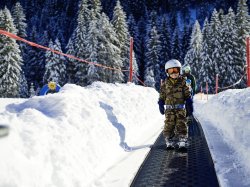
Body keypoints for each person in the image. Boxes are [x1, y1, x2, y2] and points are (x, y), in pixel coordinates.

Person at [158, 59, 193, 149]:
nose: (174, 73)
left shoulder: (183, 81)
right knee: (169, 124)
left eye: (176, 70)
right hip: (169, 109)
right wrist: (161, 102)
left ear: (179, 70)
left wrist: (189, 102)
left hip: (180, 108)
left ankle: (182, 140)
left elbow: (187, 93)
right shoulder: (165, 83)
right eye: (171, 71)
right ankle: (169, 140)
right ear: (167, 72)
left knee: (181, 123)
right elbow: (162, 94)